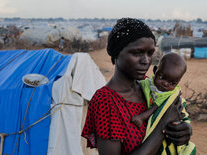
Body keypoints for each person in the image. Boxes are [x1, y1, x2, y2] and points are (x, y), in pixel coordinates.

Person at [82, 18, 192, 155]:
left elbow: (177, 114)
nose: (146, 61)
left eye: (150, 53)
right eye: (137, 53)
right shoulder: (106, 101)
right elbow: (165, 120)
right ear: (116, 54)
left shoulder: (150, 87)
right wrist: (162, 126)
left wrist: (183, 130)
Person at [131, 52, 196, 154]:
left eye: (172, 83)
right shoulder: (149, 83)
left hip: (170, 129)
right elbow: (143, 85)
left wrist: (142, 117)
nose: (165, 84)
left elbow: (156, 107)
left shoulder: (168, 94)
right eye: (162, 78)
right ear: (155, 70)